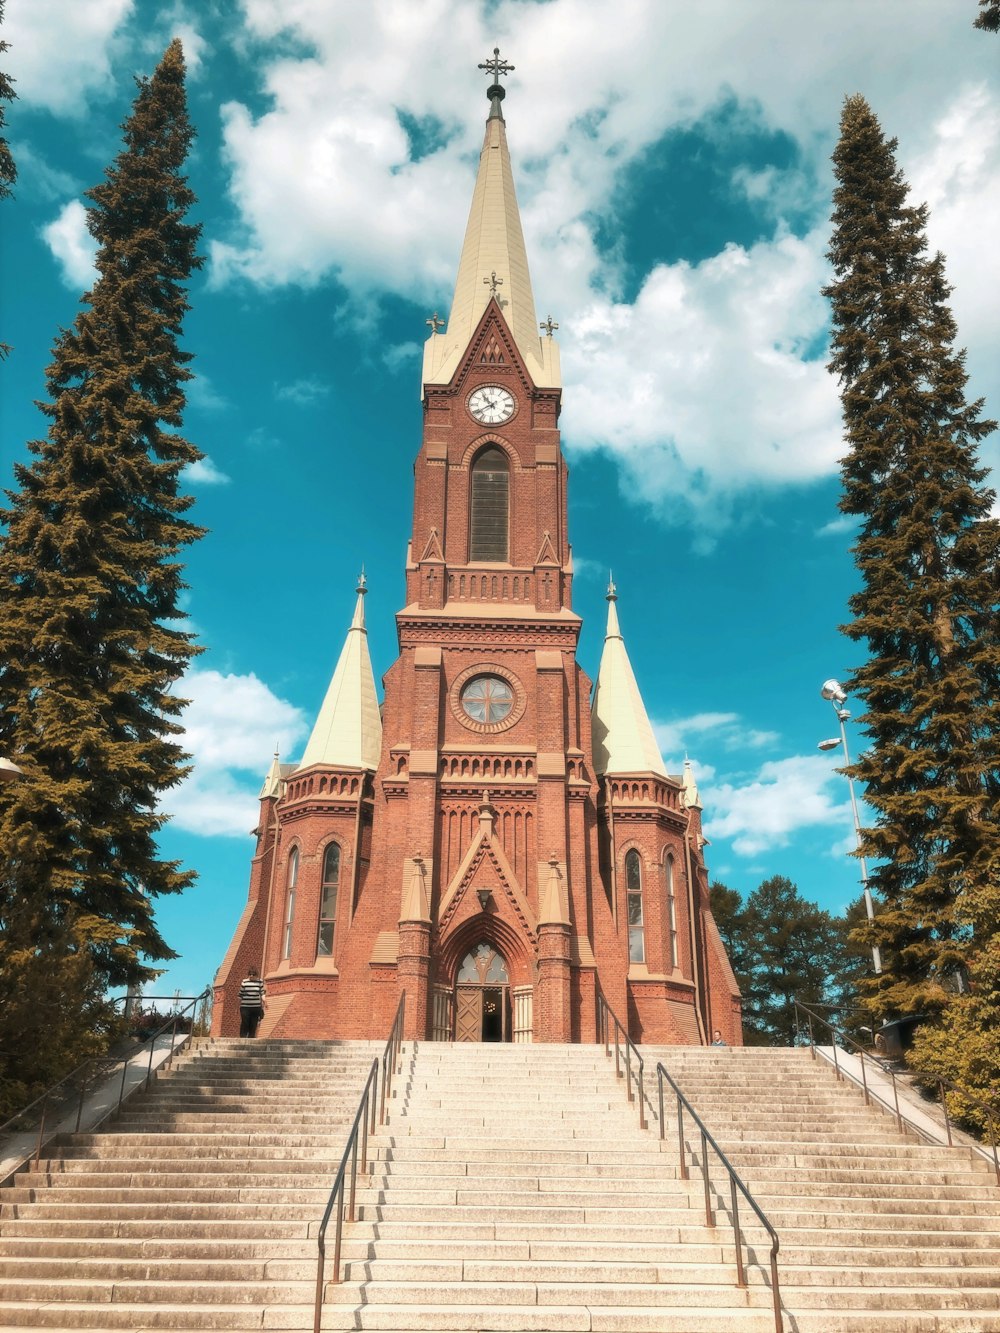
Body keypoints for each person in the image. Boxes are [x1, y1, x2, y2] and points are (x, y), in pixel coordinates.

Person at [239, 966, 266, 1038]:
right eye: (250, 974)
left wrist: (265, 1002)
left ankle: (251, 1037)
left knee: (253, 1024)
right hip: (245, 1007)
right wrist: (238, 1006)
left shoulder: (260, 982)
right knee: (245, 1022)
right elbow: (240, 995)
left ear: (256, 974)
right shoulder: (244, 982)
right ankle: (243, 1037)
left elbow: (262, 993)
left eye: (253, 974)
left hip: (256, 1007)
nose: (251, 976)